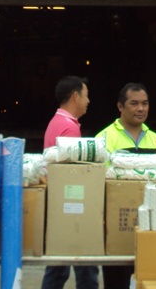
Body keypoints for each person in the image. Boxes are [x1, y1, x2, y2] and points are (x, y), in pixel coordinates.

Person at [95, 83, 156, 289]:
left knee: (150, 280)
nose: (140, 109)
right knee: (116, 281)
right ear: (120, 106)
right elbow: (97, 179)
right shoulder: (104, 138)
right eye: (134, 104)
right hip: (117, 223)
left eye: (145, 103)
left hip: (151, 224)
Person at [41, 76, 99, 289]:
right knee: (84, 265)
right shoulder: (69, 129)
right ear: (76, 96)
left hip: (60, 203)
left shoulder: (56, 123)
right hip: (71, 206)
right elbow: (74, 175)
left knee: (59, 267)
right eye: (86, 95)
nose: (88, 101)